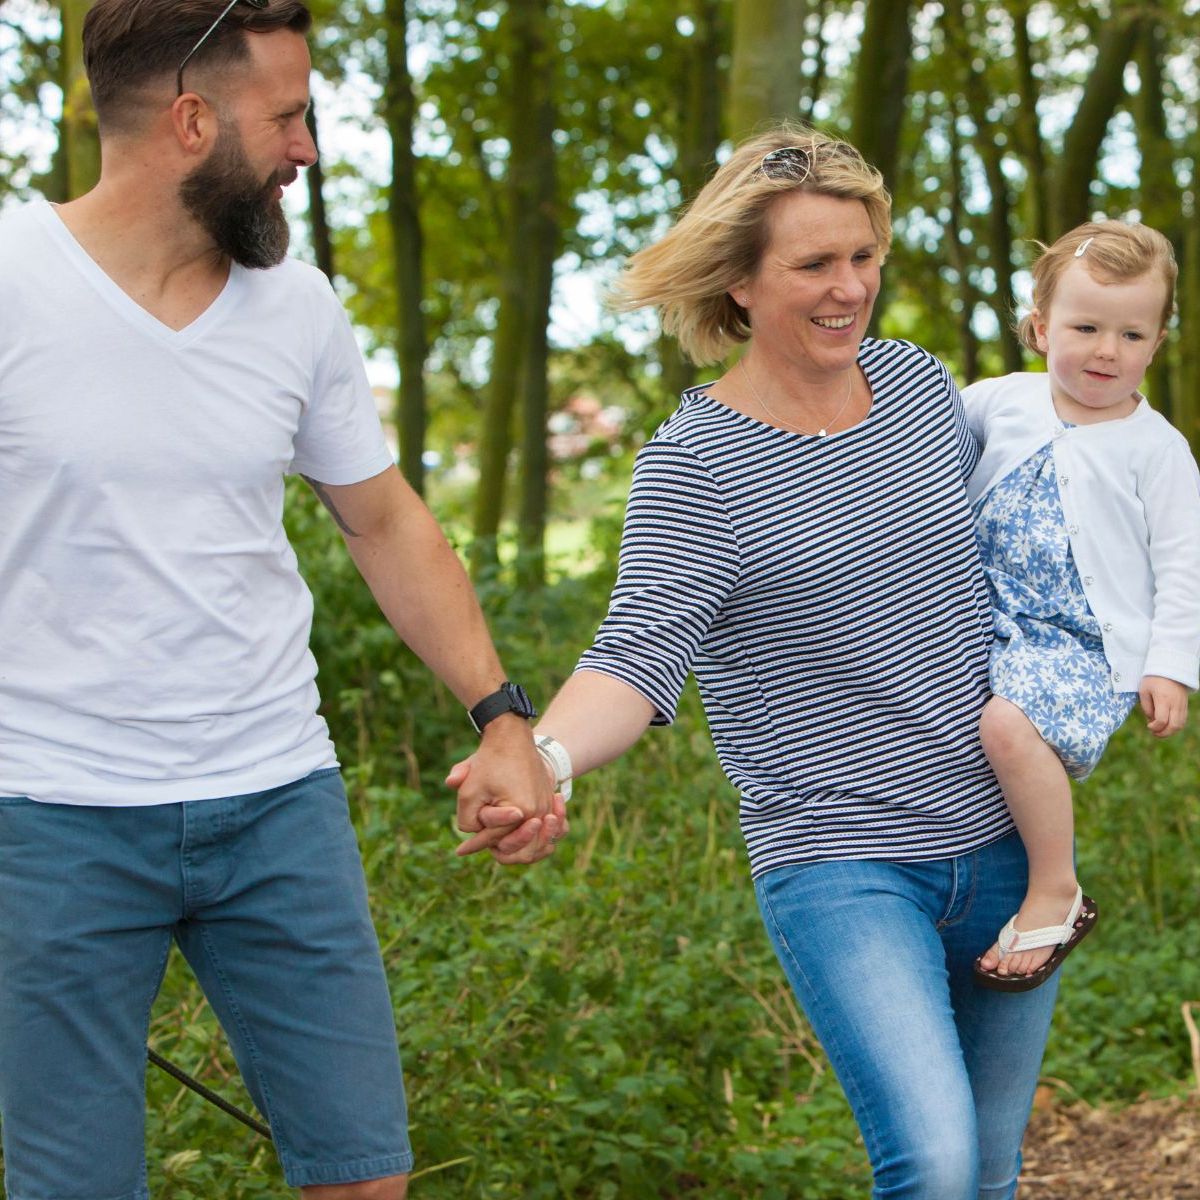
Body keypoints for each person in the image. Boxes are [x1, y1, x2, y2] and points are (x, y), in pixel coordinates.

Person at [0, 1, 562, 1197]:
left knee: (362, 1176)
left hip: (275, 804)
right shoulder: (9, 282)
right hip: (48, 818)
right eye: (291, 116)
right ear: (193, 121)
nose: (309, 147)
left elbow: (385, 520)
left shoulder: (294, 307)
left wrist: (502, 714)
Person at [455, 125, 1060, 1199]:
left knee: (993, 1172)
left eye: (863, 256)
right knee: (933, 1160)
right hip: (842, 863)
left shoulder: (921, 388)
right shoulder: (695, 468)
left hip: (1007, 844)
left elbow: (1033, 536)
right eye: (814, 265)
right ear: (738, 281)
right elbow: (636, 658)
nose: (849, 289)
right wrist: (542, 753)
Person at [966, 222, 1200, 990]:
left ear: (1157, 342)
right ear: (1040, 329)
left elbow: (1183, 565)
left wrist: (1169, 667)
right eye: (1086, 327)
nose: (1107, 350)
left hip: (1082, 645)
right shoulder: (998, 402)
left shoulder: (1155, 448)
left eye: (1131, 333)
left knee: (1005, 721)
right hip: (982, 613)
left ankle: (1054, 886)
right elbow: (908, 447)